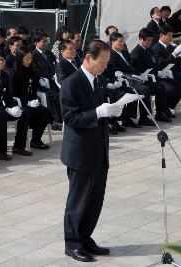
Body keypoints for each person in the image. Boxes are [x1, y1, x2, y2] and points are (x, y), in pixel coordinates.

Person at [61, 40, 121, 262]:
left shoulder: (97, 80)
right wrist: (98, 112)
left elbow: (99, 112)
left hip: (99, 150)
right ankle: (72, 242)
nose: (105, 66)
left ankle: (85, 238)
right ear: (88, 58)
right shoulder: (71, 83)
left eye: (107, 62)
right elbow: (70, 117)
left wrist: (111, 111)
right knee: (78, 201)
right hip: (80, 153)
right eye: (102, 62)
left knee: (95, 200)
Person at [131, 28, 181, 119]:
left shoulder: (149, 50)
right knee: (164, 88)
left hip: (156, 76)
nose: (150, 42)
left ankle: (165, 108)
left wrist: (173, 57)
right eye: (148, 40)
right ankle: (160, 112)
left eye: (151, 40)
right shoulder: (136, 52)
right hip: (146, 79)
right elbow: (138, 70)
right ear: (141, 39)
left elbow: (158, 65)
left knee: (180, 86)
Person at [9, 47, 54, 149]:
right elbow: (12, 94)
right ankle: (27, 143)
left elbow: (33, 88)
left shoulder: (31, 71)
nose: (29, 61)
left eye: (30, 58)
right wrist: (27, 103)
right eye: (26, 58)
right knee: (35, 112)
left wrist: (34, 99)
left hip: (30, 101)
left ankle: (36, 139)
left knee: (46, 111)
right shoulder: (14, 72)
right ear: (20, 58)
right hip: (19, 103)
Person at [31, 31, 62, 130]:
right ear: (36, 43)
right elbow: (36, 71)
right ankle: (56, 120)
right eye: (43, 42)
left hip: (54, 81)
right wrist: (50, 77)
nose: (46, 43)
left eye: (47, 41)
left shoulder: (49, 54)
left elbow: (55, 66)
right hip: (42, 83)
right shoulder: (33, 55)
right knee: (55, 95)